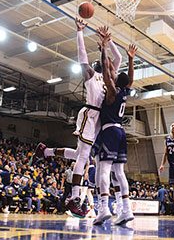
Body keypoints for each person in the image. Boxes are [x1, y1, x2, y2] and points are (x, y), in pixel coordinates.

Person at [31, 20, 122, 217]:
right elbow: (82, 58)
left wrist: (109, 41)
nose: (111, 65)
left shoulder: (110, 77)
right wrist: (79, 32)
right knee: (83, 157)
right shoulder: (92, 76)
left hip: (99, 120)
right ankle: (74, 199)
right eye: (107, 64)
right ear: (102, 66)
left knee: (82, 154)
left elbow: (119, 57)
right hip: (90, 115)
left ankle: (45, 151)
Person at [93, 31, 136, 225]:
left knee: (103, 169)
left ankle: (103, 208)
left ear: (116, 80)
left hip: (109, 131)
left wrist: (103, 49)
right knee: (119, 173)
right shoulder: (125, 91)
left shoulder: (112, 92)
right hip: (121, 133)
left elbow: (105, 74)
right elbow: (130, 79)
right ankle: (126, 210)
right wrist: (130, 59)